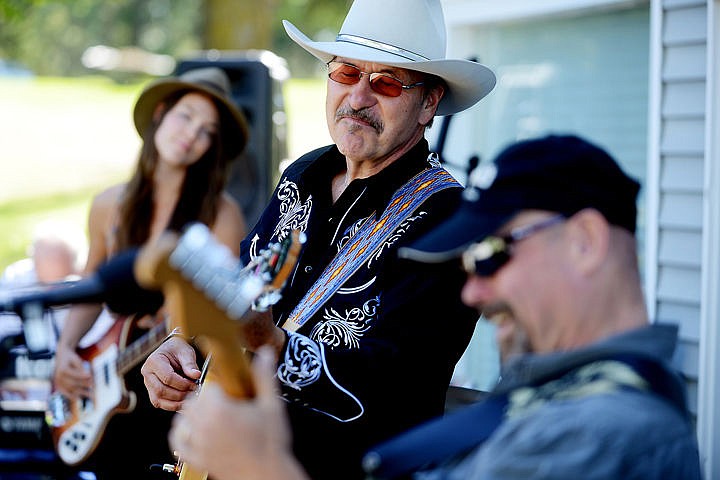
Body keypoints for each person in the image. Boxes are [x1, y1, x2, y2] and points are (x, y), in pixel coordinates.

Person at [165, 134, 702, 480]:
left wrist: (258, 466)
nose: (472, 292)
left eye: (492, 253)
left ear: (586, 241)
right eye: (344, 72)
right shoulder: (559, 400)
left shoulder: (609, 431)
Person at [141, 1, 495, 478]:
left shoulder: (449, 220)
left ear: (428, 104)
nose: (359, 97)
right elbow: (243, 285)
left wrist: (273, 345)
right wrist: (181, 342)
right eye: (346, 72)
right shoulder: (304, 173)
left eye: (387, 82)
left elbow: (395, 386)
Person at [51, 66, 249, 479]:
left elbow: (223, 310)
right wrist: (66, 349)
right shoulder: (109, 204)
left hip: (172, 379)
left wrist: (179, 332)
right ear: (160, 113)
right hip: (111, 362)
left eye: (207, 131)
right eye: (186, 116)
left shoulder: (222, 216)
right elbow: (92, 285)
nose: (192, 134)